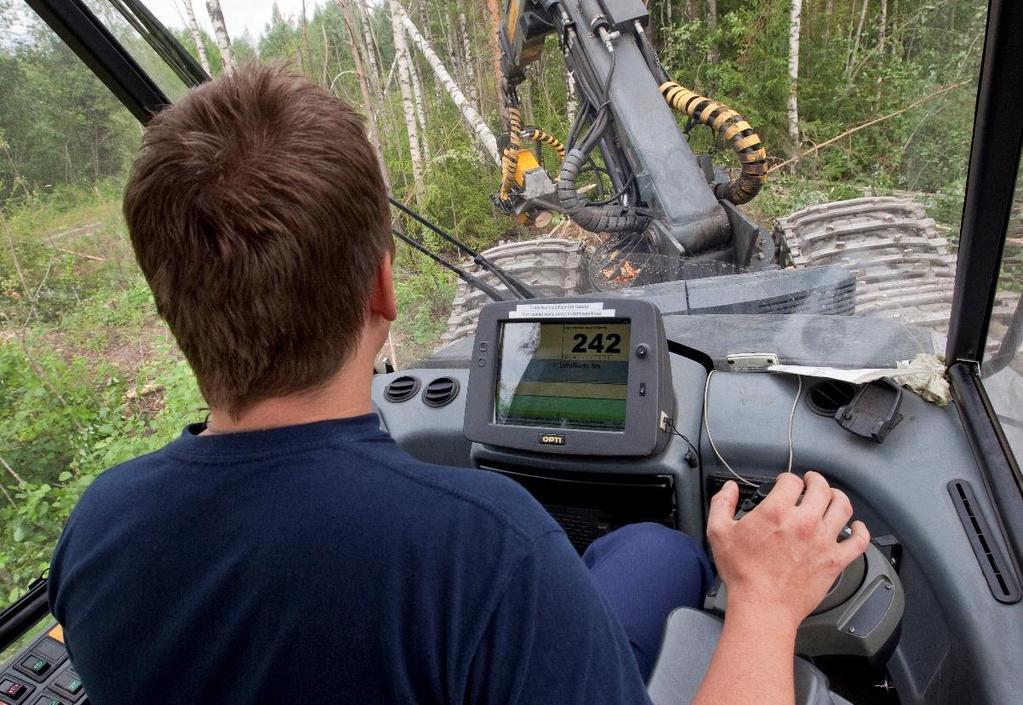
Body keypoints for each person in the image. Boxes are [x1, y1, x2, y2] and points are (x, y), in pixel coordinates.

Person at [48, 63, 870, 705]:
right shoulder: (486, 552)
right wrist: (763, 598)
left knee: (645, 548)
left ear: (168, 304)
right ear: (382, 287)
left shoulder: (97, 532)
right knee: (661, 553)